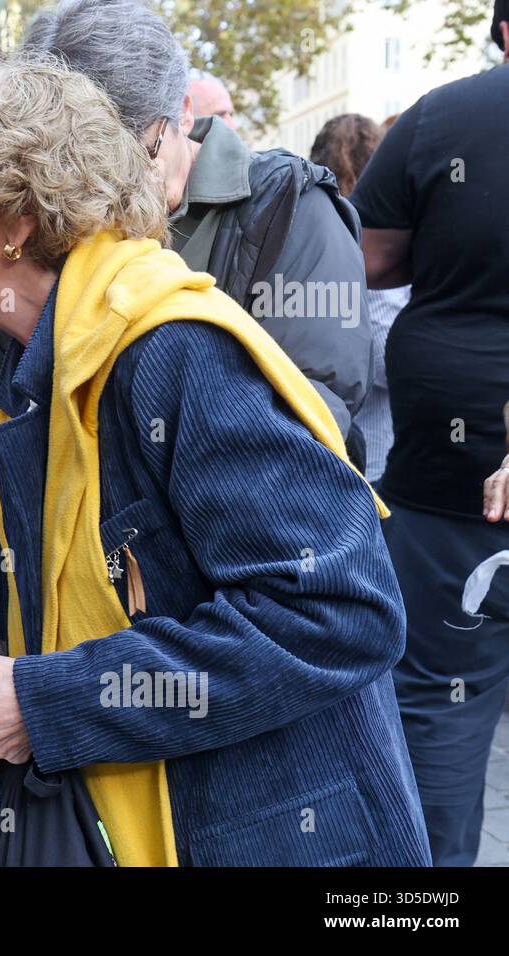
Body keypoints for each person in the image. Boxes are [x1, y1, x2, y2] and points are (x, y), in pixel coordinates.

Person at [0, 54, 429, 866]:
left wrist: (47, 702)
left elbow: (340, 614)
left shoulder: (171, 353)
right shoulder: (50, 365)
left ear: (16, 214)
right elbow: (54, 602)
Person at [0, 0, 372, 475]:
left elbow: (317, 409)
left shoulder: (291, 206)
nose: (113, 190)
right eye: (82, 171)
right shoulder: (49, 204)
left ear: (183, 113)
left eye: (137, 157)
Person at [349, 21, 509, 865]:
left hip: (454, 493)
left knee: (438, 717)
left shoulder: (444, 116)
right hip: (456, 483)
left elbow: (366, 256)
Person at [310, 113, 405, 482]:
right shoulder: (378, 249)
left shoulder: (308, 230)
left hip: (321, 449)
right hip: (376, 458)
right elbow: (386, 360)